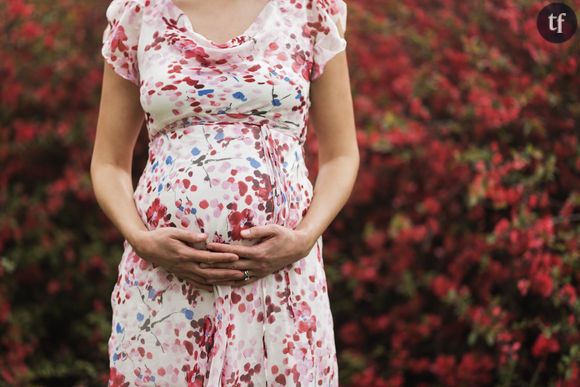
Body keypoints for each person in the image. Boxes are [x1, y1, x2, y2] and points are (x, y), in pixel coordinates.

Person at [90, 0, 358, 384]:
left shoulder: (308, 11)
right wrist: (141, 238)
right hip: (164, 286)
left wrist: (303, 238)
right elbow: (108, 163)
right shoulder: (139, 14)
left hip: (281, 286)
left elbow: (341, 156)